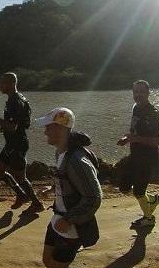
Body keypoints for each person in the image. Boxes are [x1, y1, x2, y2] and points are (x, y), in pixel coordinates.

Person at [37, 107, 102, 268]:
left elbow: (94, 197)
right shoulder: (61, 152)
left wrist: (68, 219)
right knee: (47, 260)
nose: (45, 132)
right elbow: (66, 178)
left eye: (48, 127)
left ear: (60, 128)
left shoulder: (77, 161)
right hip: (58, 218)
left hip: (70, 226)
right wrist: (52, 189)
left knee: (55, 265)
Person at [0, 72, 44, 215]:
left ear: (12, 83)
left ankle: (37, 204)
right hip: (11, 143)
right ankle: (21, 195)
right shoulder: (17, 98)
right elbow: (20, 123)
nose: (0, 85)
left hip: (18, 144)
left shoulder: (15, 101)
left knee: (20, 177)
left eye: (3, 83)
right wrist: (3, 126)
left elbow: (13, 127)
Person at [117, 80, 159, 228]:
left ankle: (148, 218)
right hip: (135, 155)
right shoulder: (136, 108)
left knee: (138, 191)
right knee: (124, 187)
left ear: (148, 93)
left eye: (141, 92)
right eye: (135, 92)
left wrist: (136, 139)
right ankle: (151, 199)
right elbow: (134, 130)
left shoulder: (153, 114)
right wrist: (127, 139)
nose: (138, 95)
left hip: (148, 158)